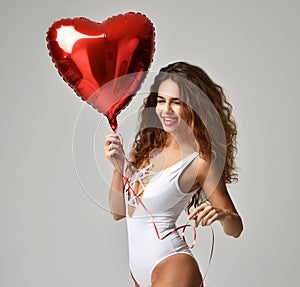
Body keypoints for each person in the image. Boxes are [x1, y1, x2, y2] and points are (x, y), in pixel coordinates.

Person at [104, 62, 243, 287]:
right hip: (138, 271)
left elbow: (236, 229)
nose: (166, 110)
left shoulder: (200, 161)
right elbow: (118, 212)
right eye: (161, 101)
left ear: (193, 105)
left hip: (172, 265)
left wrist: (222, 215)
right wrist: (118, 168)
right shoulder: (149, 148)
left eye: (176, 102)